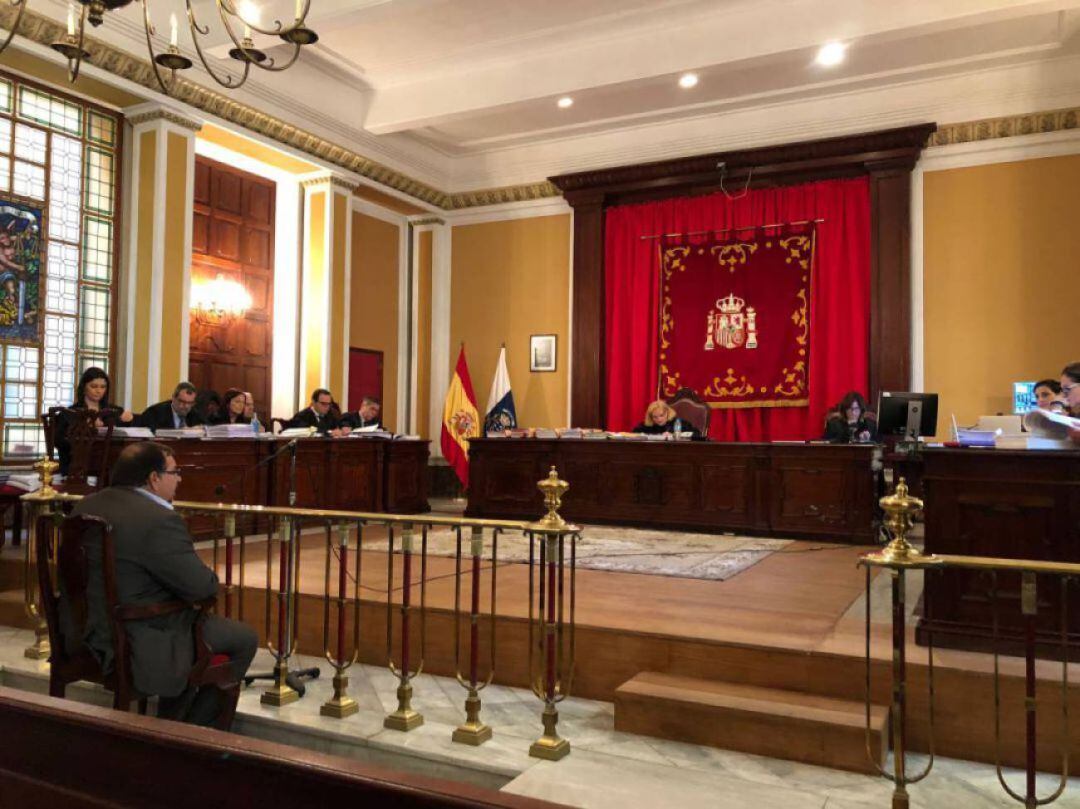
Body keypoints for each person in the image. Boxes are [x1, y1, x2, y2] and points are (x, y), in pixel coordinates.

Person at [66, 442, 258, 727]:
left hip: (80, 631)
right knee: (243, 638)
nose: (179, 479)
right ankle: (184, 733)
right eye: (174, 472)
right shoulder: (159, 520)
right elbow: (203, 588)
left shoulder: (86, 505)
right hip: (137, 636)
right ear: (154, 479)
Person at [55, 367, 135, 475]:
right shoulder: (70, 412)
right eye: (94, 386)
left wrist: (128, 420)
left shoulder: (114, 411)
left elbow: (126, 436)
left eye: (103, 387)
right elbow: (58, 441)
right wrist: (85, 427)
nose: (99, 391)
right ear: (84, 387)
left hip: (109, 463)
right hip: (78, 464)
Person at [138, 382, 204, 431]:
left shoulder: (195, 414)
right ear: (173, 398)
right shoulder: (155, 412)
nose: (186, 406)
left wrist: (202, 429)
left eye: (190, 403)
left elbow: (208, 427)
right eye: (182, 402)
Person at [632, 399, 701, 438]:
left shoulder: (678, 423)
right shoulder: (646, 425)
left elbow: (697, 434)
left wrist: (675, 435)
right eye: (655, 417)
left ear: (667, 413)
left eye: (661, 415)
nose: (659, 419)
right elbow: (633, 435)